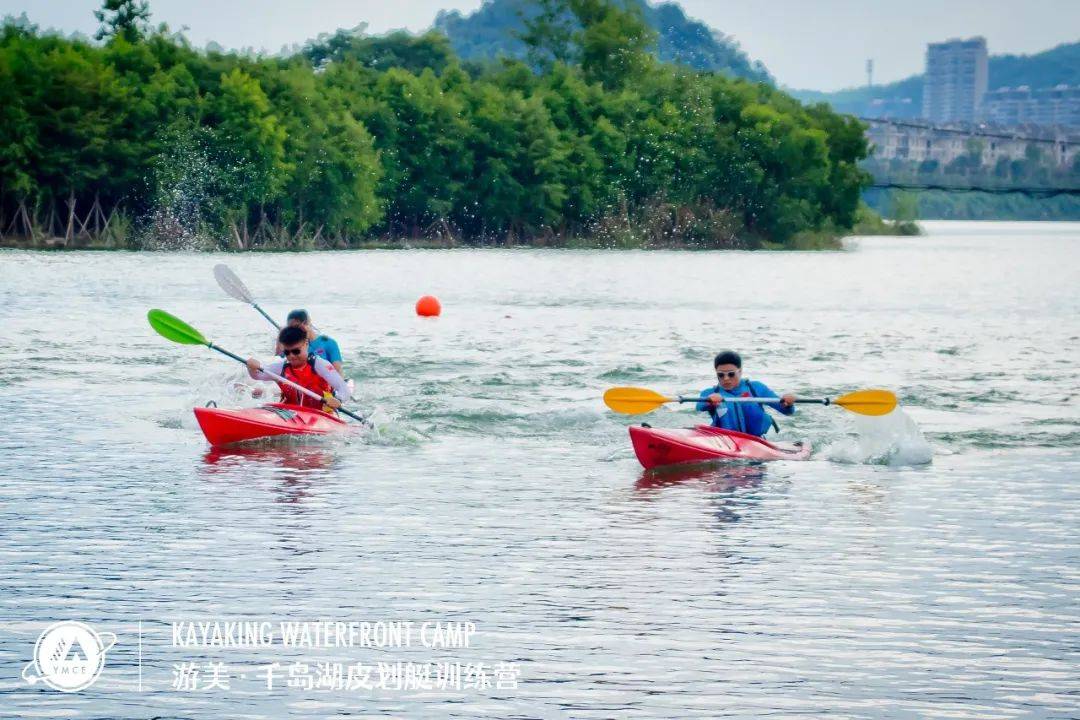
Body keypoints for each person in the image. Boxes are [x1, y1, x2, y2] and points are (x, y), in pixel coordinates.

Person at [249, 325, 350, 412]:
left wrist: (338, 400)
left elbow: (343, 388)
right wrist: (251, 367)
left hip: (321, 413)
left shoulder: (320, 365)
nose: (291, 356)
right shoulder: (281, 367)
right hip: (289, 412)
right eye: (287, 352)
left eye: (296, 351)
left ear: (306, 344)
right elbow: (257, 375)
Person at [695, 350, 795, 437]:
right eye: (721, 375)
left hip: (756, 441)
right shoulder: (710, 393)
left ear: (740, 371)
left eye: (731, 374)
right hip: (725, 440)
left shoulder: (756, 388)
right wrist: (709, 401)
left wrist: (788, 403)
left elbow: (786, 411)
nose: (726, 378)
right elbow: (699, 407)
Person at [274, 309, 343, 374]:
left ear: (307, 323)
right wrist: (281, 333)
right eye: (290, 328)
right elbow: (279, 354)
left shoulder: (328, 342)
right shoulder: (292, 345)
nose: (293, 332)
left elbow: (337, 370)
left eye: (296, 327)